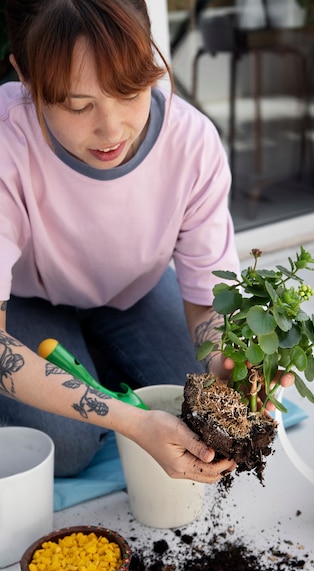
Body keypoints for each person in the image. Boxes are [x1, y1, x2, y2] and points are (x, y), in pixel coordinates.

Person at [0, 0, 292, 482]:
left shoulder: (192, 143)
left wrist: (225, 360)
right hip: (27, 302)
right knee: (69, 447)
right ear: (25, 78)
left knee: (202, 403)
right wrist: (131, 422)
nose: (111, 130)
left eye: (130, 89)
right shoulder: (8, 144)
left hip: (130, 291)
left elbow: (206, 303)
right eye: (77, 105)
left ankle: (95, 348)